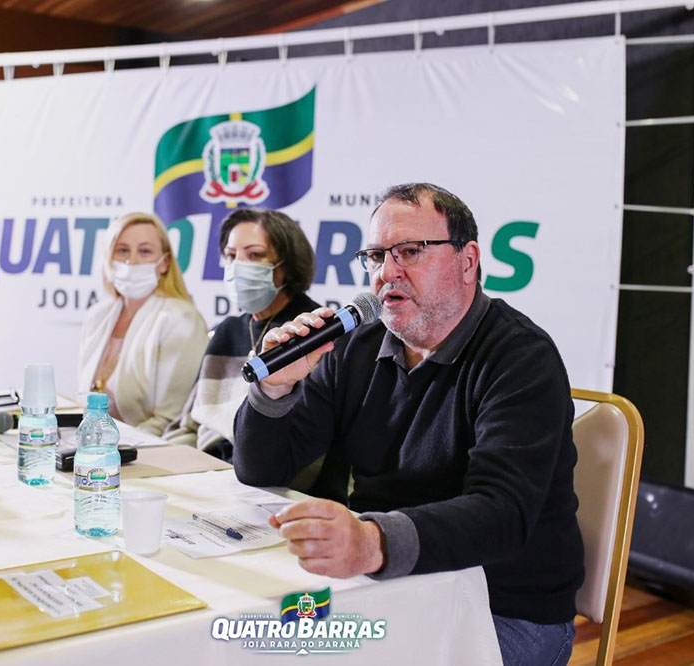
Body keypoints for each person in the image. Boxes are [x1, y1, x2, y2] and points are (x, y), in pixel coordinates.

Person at [233, 183, 583, 666]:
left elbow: (502, 513)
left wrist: (372, 542)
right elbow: (260, 470)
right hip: (390, 587)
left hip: (502, 608)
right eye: (376, 256)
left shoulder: (521, 357)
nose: (387, 272)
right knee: (252, 648)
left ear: (468, 261)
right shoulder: (355, 347)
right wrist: (275, 389)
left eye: (411, 251)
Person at [164, 208, 348, 499]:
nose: (238, 266)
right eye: (231, 255)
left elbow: (308, 454)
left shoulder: (313, 333)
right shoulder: (227, 330)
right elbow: (188, 424)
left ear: (288, 265)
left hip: (275, 490)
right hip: (206, 478)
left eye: (255, 255)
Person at [78, 212, 208, 435]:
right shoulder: (98, 316)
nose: (131, 261)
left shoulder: (180, 319)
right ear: (108, 259)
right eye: (122, 250)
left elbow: (170, 420)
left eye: (145, 251)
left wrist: (115, 445)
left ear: (164, 263)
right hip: (98, 447)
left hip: (150, 449)